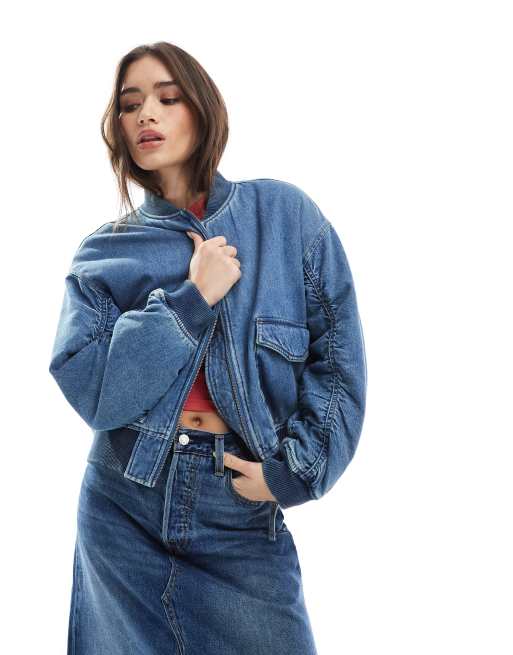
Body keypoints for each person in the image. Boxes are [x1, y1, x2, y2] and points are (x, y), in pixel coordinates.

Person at [49, 41, 367, 655]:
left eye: (167, 98)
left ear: (203, 108)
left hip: (239, 512)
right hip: (124, 507)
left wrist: (296, 472)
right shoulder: (105, 252)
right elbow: (95, 391)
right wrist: (192, 301)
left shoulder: (285, 218)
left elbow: (338, 359)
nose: (147, 114)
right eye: (130, 105)